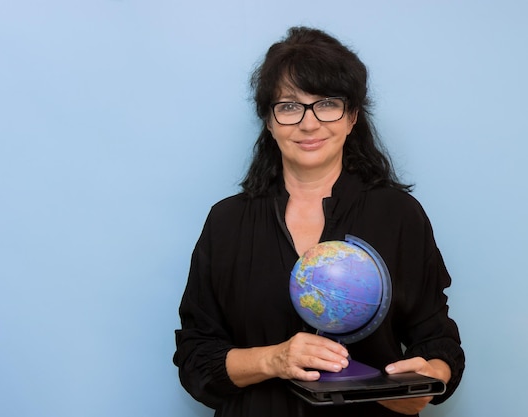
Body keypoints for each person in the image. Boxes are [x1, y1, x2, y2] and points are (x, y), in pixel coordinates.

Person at [173, 26, 465, 417]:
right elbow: (195, 357)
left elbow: (437, 339)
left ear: (353, 116)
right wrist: (274, 359)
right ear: (269, 122)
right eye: (290, 106)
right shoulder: (227, 222)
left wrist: (430, 379)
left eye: (327, 103)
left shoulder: (398, 215)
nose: (309, 124)